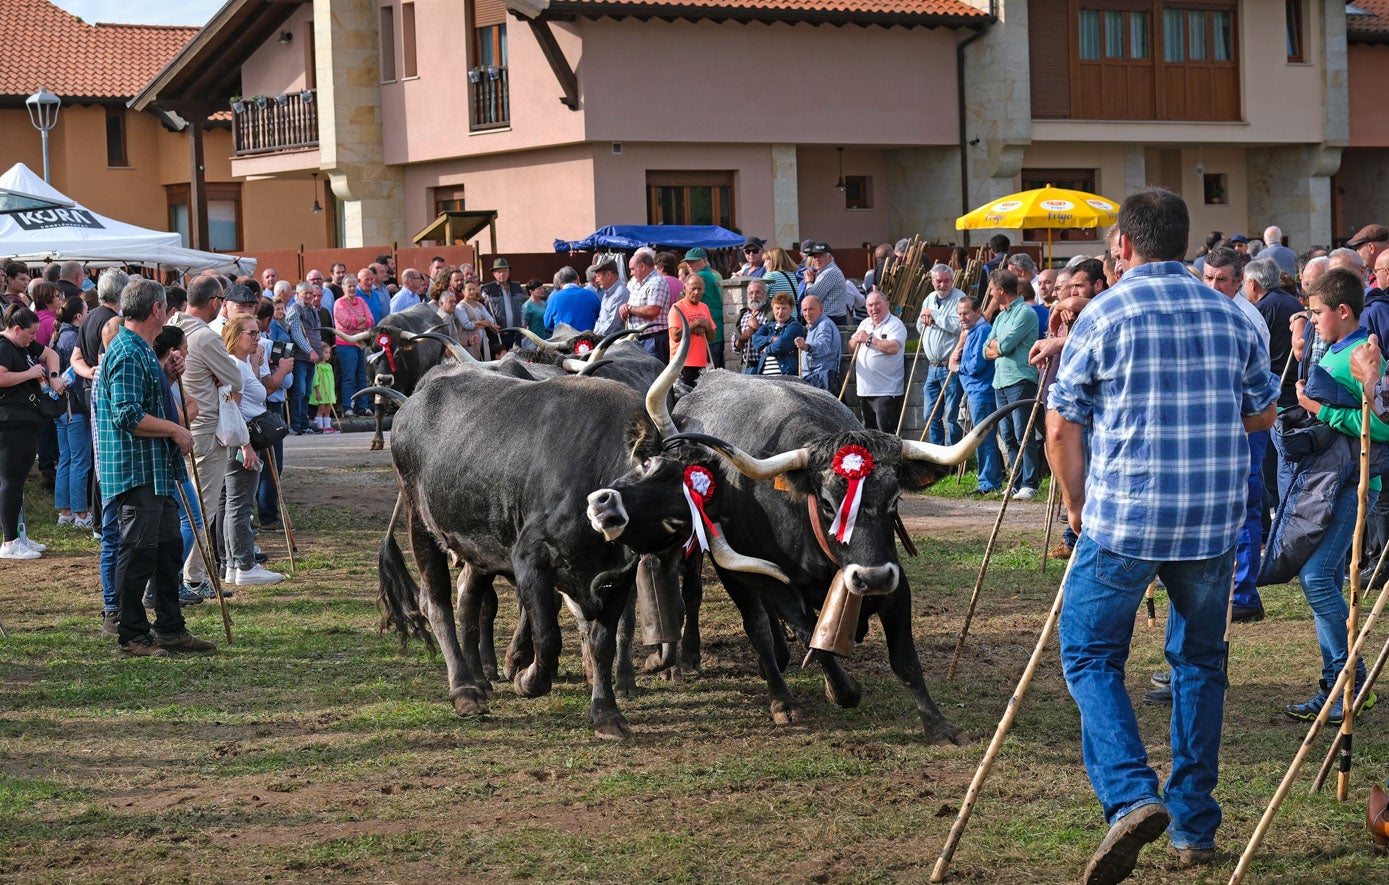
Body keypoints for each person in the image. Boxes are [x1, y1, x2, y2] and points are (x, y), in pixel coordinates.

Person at [1047, 187, 1277, 881]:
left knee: (1088, 655)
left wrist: (1075, 506)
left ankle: (1128, 794)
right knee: (1198, 664)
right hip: (1209, 521)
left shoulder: (1104, 313)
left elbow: (1061, 426)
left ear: (1121, 244)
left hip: (1123, 517)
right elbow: (1262, 415)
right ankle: (1192, 829)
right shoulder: (1233, 314)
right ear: (1183, 243)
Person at [1282, 268, 1384, 723]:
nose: (1313, 319)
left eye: (1318, 312)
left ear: (1343, 312)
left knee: (1318, 579)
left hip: (1354, 484)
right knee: (1322, 578)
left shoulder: (1363, 355)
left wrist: (1317, 408)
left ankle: (1349, 682)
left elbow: (1380, 424)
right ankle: (1341, 681)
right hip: (1335, 481)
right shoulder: (1340, 349)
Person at [95, 279, 216, 657]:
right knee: (138, 552)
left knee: (167, 549)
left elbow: (142, 397)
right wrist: (177, 430)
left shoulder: (143, 351)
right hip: (137, 471)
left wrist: (168, 376)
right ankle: (132, 634)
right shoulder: (129, 353)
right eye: (166, 307)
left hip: (156, 470)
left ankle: (169, 628)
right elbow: (127, 415)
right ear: (156, 311)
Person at [172, 275, 244, 595]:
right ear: (215, 302)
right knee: (203, 507)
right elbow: (233, 377)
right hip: (203, 428)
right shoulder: (204, 336)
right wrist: (216, 378)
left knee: (183, 505)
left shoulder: (172, 325)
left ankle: (187, 576)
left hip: (177, 423)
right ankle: (194, 578)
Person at [221, 315, 284, 586]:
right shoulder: (234, 365)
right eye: (252, 334)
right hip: (242, 442)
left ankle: (235, 564)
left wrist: (256, 363)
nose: (258, 339)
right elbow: (232, 409)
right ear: (236, 334)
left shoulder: (242, 364)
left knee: (235, 503)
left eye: (259, 334)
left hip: (244, 439)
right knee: (239, 504)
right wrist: (246, 446)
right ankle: (244, 565)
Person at [0, 305, 64, 560]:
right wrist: (30, 373)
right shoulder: (4, 347)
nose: (33, 339)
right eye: (30, 334)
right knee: (10, 480)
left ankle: (19, 535)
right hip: (10, 421)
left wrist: (54, 375)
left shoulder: (22, 345)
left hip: (26, 419)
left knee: (17, 480)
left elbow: (50, 354)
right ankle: (9, 541)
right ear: (16, 329)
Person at [984, 268, 1041, 499]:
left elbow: (1004, 346)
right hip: (1000, 381)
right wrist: (997, 347)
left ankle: (1030, 482)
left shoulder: (1025, 314)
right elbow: (984, 350)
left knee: (1023, 433)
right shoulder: (1001, 316)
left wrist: (997, 347)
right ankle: (1015, 481)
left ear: (999, 290)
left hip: (1020, 379)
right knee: (1007, 435)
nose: (989, 293)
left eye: (991, 289)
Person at [952, 294, 1003, 497]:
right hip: (974, 390)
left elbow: (977, 364)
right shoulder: (971, 331)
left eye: (966, 313)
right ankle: (989, 478)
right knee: (983, 437)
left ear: (978, 312)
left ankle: (989, 482)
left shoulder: (982, 330)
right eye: (960, 314)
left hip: (981, 391)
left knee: (983, 438)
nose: (963, 317)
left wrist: (957, 368)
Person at [52, 296, 93, 530]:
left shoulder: (60, 335)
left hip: (61, 408)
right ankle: (80, 513)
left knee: (67, 459)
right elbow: (77, 380)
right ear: (79, 316)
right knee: (79, 461)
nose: (88, 315)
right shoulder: (73, 338)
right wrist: (87, 408)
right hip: (73, 408)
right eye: (86, 311)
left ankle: (66, 511)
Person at [917, 264, 965, 446]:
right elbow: (919, 326)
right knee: (930, 415)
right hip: (932, 366)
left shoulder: (959, 298)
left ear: (952, 281)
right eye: (939, 281)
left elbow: (960, 326)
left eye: (946, 281)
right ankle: (937, 455)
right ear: (932, 281)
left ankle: (954, 457)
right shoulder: (929, 298)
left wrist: (935, 315)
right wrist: (925, 319)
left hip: (950, 366)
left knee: (952, 415)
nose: (942, 285)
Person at [256, 300, 293, 528]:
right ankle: (267, 516)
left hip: (256, 406)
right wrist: (281, 370)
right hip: (268, 407)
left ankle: (257, 513)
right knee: (271, 465)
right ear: (268, 320)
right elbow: (286, 381)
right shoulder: (270, 345)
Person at [849, 290, 907, 431]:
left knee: (885, 434)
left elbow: (893, 347)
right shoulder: (864, 323)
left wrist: (869, 340)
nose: (874, 308)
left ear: (886, 305)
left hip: (886, 391)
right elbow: (850, 348)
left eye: (877, 304)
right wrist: (856, 339)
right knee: (870, 433)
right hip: (865, 390)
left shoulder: (895, 324)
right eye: (870, 305)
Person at [284, 281, 323, 435]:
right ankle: (296, 424)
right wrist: (310, 350)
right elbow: (296, 333)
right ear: (298, 295)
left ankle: (304, 423)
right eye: (305, 293)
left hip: (310, 358)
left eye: (310, 294)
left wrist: (318, 351)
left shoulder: (313, 310)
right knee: (299, 392)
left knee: (307, 392)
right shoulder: (295, 309)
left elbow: (315, 333)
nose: (308, 296)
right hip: (300, 357)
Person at [332, 279, 373, 416]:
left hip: (361, 344)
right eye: (349, 286)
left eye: (354, 286)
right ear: (343, 288)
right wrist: (361, 321)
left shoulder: (361, 301)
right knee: (348, 378)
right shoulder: (339, 303)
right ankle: (347, 407)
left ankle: (362, 406)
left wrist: (359, 323)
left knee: (362, 376)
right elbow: (347, 323)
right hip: (345, 346)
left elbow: (371, 320)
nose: (352, 288)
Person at [622, 250, 671, 362]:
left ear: (643, 266)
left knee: (654, 375)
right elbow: (633, 308)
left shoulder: (657, 282)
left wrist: (629, 309)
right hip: (639, 340)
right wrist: (625, 310)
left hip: (653, 340)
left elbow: (653, 310)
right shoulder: (636, 283)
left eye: (632, 269)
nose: (631, 273)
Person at [668, 274, 716, 387]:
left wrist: (707, 326)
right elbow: (675, 336)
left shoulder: (704, 307)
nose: (696, 292)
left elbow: (712, 337)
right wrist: (696, 324)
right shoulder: (677, 308)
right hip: (682, 364)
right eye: (693, 288)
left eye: (699, 289)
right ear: (685, 288)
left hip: (701, 364)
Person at [683, 249, 725, 368]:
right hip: (713, 325)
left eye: (694, 262)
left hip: (710, 327)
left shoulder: (700, 276)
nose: (690, 265)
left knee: (710, 370)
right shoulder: (711, 273)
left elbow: (683, 297)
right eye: (688, 262)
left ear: (705, 261)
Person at [794, 295, 840, 391]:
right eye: (805, 310)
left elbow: (824, 346)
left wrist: (807, 347)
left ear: (821, 309)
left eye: (811, 309)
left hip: (822, 379)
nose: (807, 313)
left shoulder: (824, 325)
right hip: (815, 378)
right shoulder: (813, 326)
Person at [751, 293, 804, 375]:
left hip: (785, 375)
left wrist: (765, 349)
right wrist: (771, 339)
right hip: (764, 377)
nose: (780, 312)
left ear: (791, 309)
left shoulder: (795, 326)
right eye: (777, 308)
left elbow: (781, 344)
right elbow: (755, 340)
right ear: (773, 309)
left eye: (784, 308)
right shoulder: (768, 326)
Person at [481, 258, 527, 349]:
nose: (502, 274)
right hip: (498, 333)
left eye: (505, 271)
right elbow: (483, 310)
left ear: (509, 272)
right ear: (494, 274)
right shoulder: (487, 289)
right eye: (499, 271)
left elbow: (522, 308)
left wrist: (523, 324)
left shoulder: (517, 287)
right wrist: (490, 326)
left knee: (517, 359)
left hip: (516, 332)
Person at [801, 243, 847, 325]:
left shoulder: (830, 272)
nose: (817, 259)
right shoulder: (824, 271)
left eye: (820, 256)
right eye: (815, 256)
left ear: (829, 257)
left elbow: (813, 296)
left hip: (832, 319)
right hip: (829, 319)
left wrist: (809, 281)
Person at [543, 266, 599, 333]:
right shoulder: (591, 295)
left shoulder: (553, 298)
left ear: (559, 283)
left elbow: (547, 324)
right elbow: (601, 317)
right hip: (588, 340)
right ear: (578, 279)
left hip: (563, 340)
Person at [733, 279, 771, 373]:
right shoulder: (743, 315)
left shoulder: (772, 313)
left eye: (758, 293)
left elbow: (776, 340)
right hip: (747, 367)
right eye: (751, 293)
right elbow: (735, 348)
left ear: (766, 295)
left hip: (765, 366)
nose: (754, 296)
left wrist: (758, 329)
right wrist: (743, 337)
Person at [591, 257, 629, 337]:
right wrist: (595, 332)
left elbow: (613, 324)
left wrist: (596, 337)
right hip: (604, 339)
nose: (596, 280)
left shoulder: (620, 293)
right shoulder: (607, 293)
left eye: (598, 276)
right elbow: (601, 318)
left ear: (608, 275)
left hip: (614, 342)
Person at [460, 280, 499, 359]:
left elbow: (491, 320)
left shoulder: (479, 305)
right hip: (470, 343)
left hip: (483, 342)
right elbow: (468, 325)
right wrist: (485, 324)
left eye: (474, 289)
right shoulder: (460, 307)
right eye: (469, 289)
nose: (472, 291)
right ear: (463, 291)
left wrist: (476, 322)